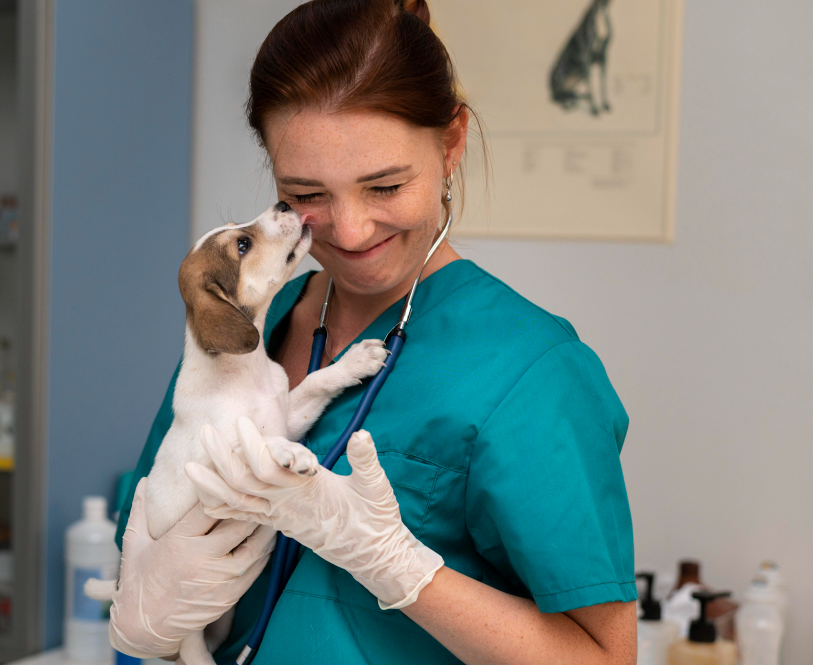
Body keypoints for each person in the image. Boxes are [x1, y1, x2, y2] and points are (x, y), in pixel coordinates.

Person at [111, 1, 638, 663]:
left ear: (451, 144)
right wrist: (145, 626)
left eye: (385, 185)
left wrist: (401, 568)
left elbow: (605, 658)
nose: (351, 230)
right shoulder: (248, 331)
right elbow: (149, 529)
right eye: (307, 192)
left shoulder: (533, 371)